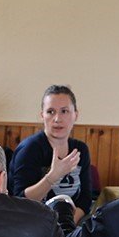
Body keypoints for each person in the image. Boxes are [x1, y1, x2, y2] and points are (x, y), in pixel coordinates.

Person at [9, 85, 93, 224]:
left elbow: (85, 198)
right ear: (42, 115)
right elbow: (20, 200)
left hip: (70, 224)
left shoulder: (80, 149)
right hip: (31, 224)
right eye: (51, 112)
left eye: (64, 111)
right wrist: (53, 176)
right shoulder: (29, 149)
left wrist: (68, 223)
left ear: (75, 115)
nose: (57, 119)